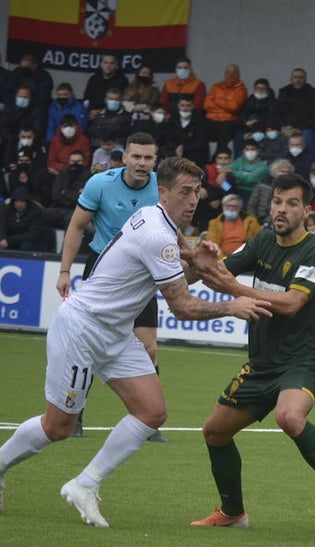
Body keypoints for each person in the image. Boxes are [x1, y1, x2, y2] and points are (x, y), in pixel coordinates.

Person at [0, 157, 269, 525]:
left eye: (197, 192)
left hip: (115, 332)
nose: (193, 200)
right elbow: (182, 306)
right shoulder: (159, 234)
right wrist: (231, 306)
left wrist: (197, 264)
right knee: (58, 427)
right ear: (163, 191)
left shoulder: (163, 224)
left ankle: (85, 484)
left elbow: (176, 281)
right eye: (184, 192)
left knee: (152, 412)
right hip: (82, 328)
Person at [189, 172, 315, 532]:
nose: (282, 209)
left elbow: (291, 303)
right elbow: (210, 273)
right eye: (278, 201)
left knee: (290, 417)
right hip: (261, 365)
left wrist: (232, 286)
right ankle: (233, 512)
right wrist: (195, 259)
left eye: (292, 203)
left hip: (302, 362)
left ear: (307, 211)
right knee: (214, 432)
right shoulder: (262, 241)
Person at [58, 133, 166, 435]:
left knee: (149, 347)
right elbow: (77, 226)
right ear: (124, 158)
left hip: (143, 274)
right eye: (136, 157)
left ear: (155, 161)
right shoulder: (100, 183)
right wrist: (65, 271)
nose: (142, 163)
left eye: (148, 158)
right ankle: (74, 415)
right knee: (88, 346)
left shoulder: (162, 188)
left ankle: (147, 422)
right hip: (103, 270)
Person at [204, 64, 247, 156]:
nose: (231, 74)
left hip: (229, 121)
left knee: (225, 131)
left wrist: (216, 100)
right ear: (224, 74)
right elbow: (206, 105)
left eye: (234, 72)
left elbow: (234, 107)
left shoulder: (241, 89)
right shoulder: (216, 86)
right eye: (228, 72)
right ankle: (204, 160)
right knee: (200, 130)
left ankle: (217, 160)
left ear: (238, 75)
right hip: (211, 119)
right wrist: (225, 107)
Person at [277, 69, 315, 153]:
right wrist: (286, 127)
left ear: (305, 80)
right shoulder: (284, 92)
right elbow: (278, 112)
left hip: (307, 128)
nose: (298, 80)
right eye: (295, 77)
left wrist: (299, 128)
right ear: (291, 79)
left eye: (301, 77)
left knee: (308, 136)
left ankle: (310, 162)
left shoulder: (313, 93)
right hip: (287, 127)